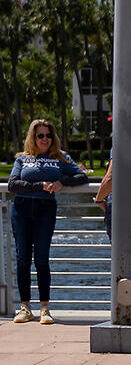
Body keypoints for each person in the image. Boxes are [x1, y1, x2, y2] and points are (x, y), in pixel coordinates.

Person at [8, 119, 88, 325]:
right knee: (23, 258)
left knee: (42, 259)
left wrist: (63, 182)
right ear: (33, 138)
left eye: (48, 135)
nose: (45, 139)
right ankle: (25, 307)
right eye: (40, 135)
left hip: (46, 210)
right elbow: (13, 184)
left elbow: (82, 177)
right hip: (22, 209)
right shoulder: (22, 159)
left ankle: (45, 309)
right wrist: (40, 186)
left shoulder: (60, 158)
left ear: (54, 138)